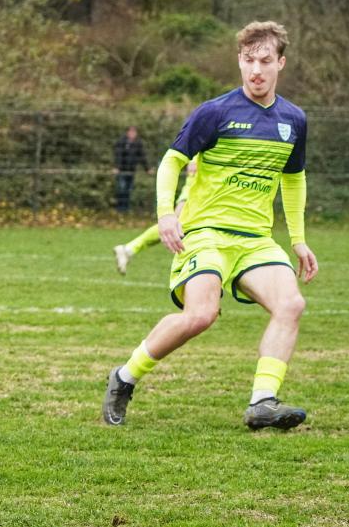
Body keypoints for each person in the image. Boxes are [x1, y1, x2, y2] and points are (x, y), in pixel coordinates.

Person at [102, 21, 318, 430]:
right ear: (239, 61)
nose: (256, 70)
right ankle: (124, 377)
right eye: (249, 60)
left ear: (281, 63)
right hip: (205, 234)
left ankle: (262, 402)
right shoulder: (215, 112)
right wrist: (166, 214)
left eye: (265, 61)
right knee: (200, 315)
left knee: (291, 304)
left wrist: (299, 240)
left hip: (255, 240)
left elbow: (293, 179)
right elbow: (171, 161)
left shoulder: (294, 119)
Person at [114, 159, 198, 274]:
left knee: (180, 225)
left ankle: (128, 249)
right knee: (176, 224)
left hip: (205, 191)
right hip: (197, 189)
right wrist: (193, 160)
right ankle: (128, 249)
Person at [112, 126, 151, 212]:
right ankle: (119, 208)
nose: (132, 134)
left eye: (134, 132)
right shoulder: (122, 142)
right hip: (122, 171)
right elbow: (118, 155)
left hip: (131, 171)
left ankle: (126, 209)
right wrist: (117, 167)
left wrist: (147, 169)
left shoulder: (138, 143)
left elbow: (142, 157)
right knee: (121, 189)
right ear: (127, 132)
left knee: (128, 190)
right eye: (131, 132)